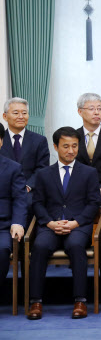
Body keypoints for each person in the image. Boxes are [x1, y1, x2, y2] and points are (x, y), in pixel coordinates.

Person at [28, 127, 101, 320]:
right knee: (40, 246)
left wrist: (76, 223)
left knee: (76, 245)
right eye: (66, 146)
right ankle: (35, 301)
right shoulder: (44, 174)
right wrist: (50, 223)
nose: (71, 150)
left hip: (78, 226)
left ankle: (80, 301)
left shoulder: (89, 172)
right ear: (55, 147)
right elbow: (37, 203)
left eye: (75, 146)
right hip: (50, 225)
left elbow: (94, 203)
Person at [0, 97, 50, 207]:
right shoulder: (0, 139)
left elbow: (42, 168)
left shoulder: (39, 140)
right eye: (16, 113)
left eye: (24, 113)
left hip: (29, 192)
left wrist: (27, 186)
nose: (21, 116)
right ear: (5, 116)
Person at [0, 123, 27, 295]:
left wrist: (18, 222)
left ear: (1, 142)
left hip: (2, 226)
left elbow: (20, 198)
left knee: (2, 250)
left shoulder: (13, 167)